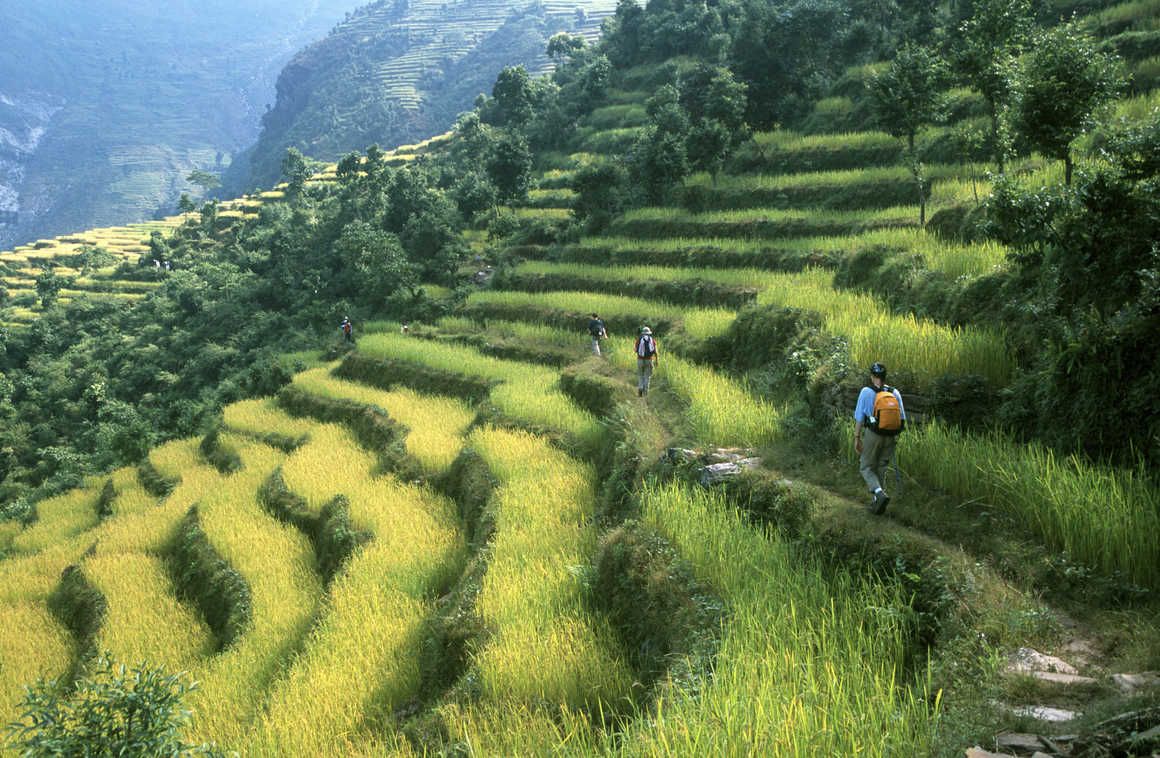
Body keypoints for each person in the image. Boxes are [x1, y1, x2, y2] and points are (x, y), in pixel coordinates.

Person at [853, 362, 906, 514]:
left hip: (873, 435)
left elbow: (859, 417)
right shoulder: (895, 393)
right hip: (890, 436)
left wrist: (857, 437)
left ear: (872, 376)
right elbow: (902, 418)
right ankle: (878, 503)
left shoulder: (866, 391)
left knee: (866, 466)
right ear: (885, 376)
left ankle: (879, 493)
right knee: (881, 467)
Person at [634, 326, 658, 397]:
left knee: (640, 375)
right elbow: (656, 352)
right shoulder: (652, 340)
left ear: (643, 333)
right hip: (649, 360)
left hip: (640, 360)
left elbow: (635, 350)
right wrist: (656, 360)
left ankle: (640, 388)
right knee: (647, 376)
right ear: (649, 333)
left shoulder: (639, 340)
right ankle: (646, 392)